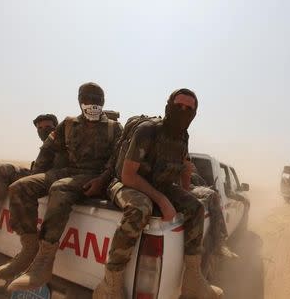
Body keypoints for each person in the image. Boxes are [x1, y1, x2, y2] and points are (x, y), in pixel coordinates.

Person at [0, 82, 122, 292]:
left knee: (60, 188)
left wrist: (102, 180)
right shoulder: (68, 124)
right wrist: (36, 176)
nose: (92, 103)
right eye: (88, 98)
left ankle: (44, 262)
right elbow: (48, 151)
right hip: (68, 171)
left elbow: (116, 161)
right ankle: (29, 248)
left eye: (97, 99)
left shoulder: (114, 128)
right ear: (79, 101)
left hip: (95, 176)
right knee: (20, 187)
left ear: (103, 102)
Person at [93, 89, 223, 299]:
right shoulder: (148, 130)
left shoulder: (183, 136)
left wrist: (185, 177)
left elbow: (181, 182)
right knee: (140, 208)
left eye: (189, 109)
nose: (183, 111)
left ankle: (192, 280)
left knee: (196, 207)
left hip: (161, 184)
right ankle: (110, 286)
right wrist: (162, 200)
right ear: (168, 106)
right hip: (125, 184)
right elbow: (128, 175)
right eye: (178, 106)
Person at [0, 114, 59, 240]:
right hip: (36, 175)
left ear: (56, 126)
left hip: (47, 179)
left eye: (48, 127)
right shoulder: (47, 143)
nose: (43, 130)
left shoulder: (61, 142)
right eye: (40, 128)